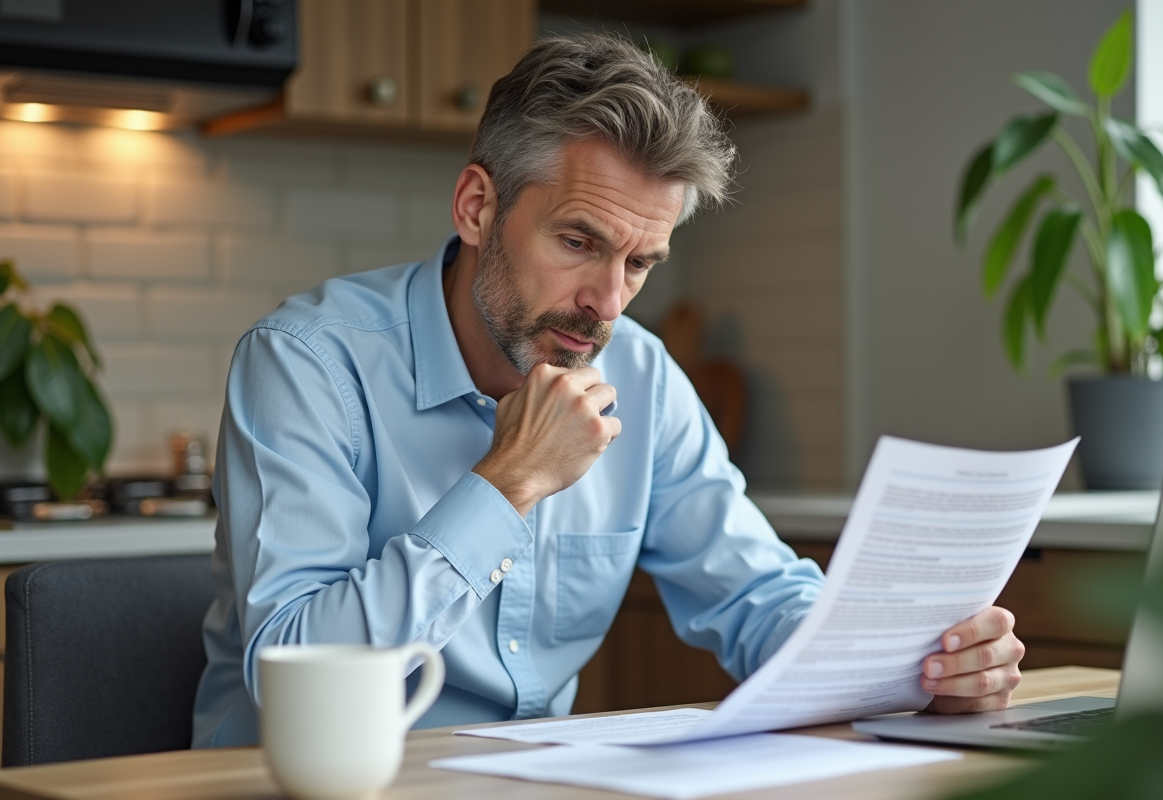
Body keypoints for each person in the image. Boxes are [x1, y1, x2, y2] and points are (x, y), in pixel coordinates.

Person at [192, 34, 1024, 747]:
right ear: (478, 206)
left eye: (640, 263)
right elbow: (290, 674)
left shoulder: (642, 376)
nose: (608, 303)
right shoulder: (305, 362)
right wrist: (507, 486)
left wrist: (916, 666)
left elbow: (758, 596)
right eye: (579, 241)